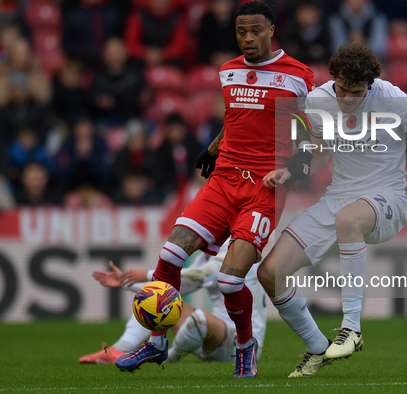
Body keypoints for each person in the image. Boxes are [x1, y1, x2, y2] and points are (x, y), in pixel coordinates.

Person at [114, 1, 314, 378]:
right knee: (171, 253)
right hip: (223, 180)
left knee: (228, 279)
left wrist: (295, 166)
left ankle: (244, 345)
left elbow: (308, 129)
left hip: (263, 187)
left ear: (271, 29)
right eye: (241, 31)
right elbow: (236, 117)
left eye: (256, 30)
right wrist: (212, 147)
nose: (248, 38)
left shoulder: (298, 75)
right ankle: (157, 342)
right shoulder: (228, 71)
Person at [259, 43, 407, 377]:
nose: (347, 99)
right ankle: (316, 347)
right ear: (334, 79)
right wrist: (292, 170)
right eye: (342, 90)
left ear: (370, 84)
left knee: (348, 220)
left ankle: (351, 328)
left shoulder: (394, 99)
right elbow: (320, 151)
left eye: (356, 92)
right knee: (270, 273)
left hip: (388, 198)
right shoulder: (318, 99)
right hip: (339, 195)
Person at [79, 241, 267, 366]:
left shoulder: (236, 248)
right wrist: (125, 283)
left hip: (243, 343)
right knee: (155, 302)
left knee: (199, 319)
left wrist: (147, 274)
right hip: (212, 336)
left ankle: (167, 357)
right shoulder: (206, 255)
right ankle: (118, 350)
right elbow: (174, 287)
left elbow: (201, 275)